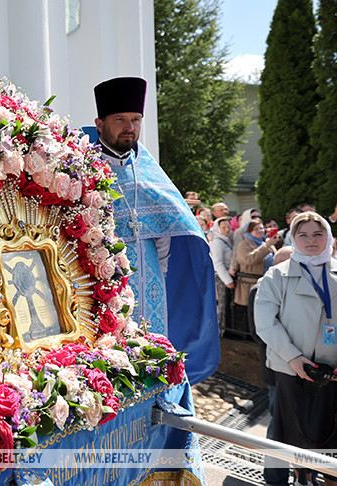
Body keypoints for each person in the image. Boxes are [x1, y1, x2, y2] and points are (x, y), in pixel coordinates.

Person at [81, 76, 219, 385]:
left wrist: (162, 271)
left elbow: (168, 236)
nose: (129, 126)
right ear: (99, 123)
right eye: (120, 119)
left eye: (135, 119)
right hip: (100, 286)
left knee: (152, 366)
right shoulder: (82, 170)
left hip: (151, 285)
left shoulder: (149, 172)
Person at [255, 212, 337, 486]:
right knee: (299, 443)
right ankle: (302, 479)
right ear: (293, 238)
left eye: (317, 233)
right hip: (295, 372)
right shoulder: (276, 276)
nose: (311, 240)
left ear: (329, 238)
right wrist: (293, 357)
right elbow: (265, 324)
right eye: (303, 234)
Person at [248, 246, 293, 486]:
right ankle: (275, 478)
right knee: (278, 422)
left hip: (300, 370)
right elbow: (258, 332)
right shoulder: (260, 287)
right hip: (276, 368)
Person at [232, 218, 279, 337]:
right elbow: (248, 260)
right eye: (256, 229)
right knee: (249, 312)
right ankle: (247, 337)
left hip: (267, 282)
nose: (260, 231)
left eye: (261, 228)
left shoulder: (266, 243)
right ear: (249, 232)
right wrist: (267, 246)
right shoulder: (243, 244)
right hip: (249, 284)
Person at [210, 217, 234, 337]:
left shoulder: (228, 240)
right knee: (222, 305)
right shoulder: (217, 242)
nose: (226, 229)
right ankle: (220, 332)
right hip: (221, 278)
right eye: (223, 227)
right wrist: (228, 281)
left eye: (228, 226)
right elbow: (218, 263)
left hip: (227, 276)